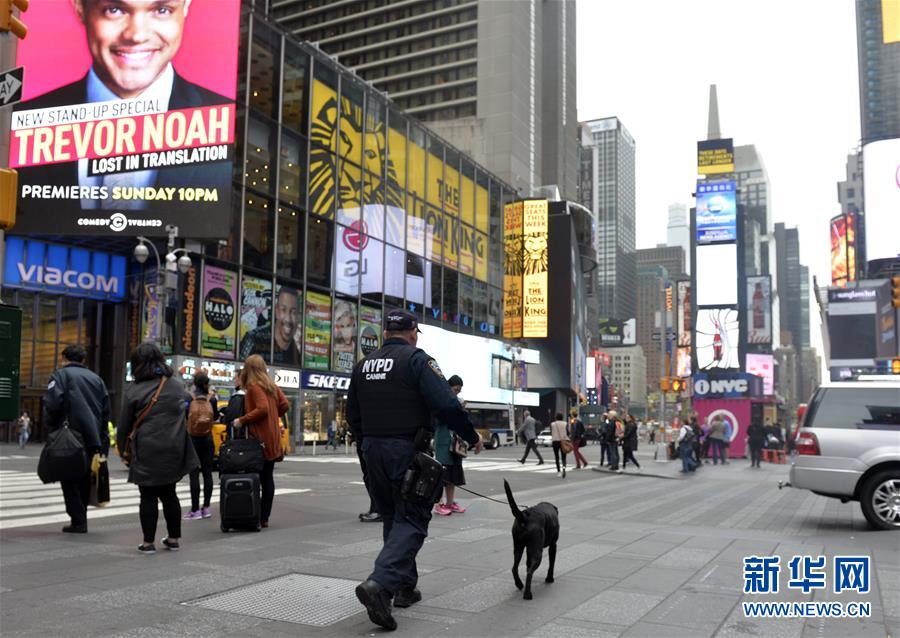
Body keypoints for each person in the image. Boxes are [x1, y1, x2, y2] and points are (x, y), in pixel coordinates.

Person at [14, 0, 232, 215]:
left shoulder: (222, 122)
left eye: (161, 10)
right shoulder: (23, 123)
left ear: (185, 7)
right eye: (114, 10)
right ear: (80, 7)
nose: (136, 35)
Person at [347, 309, 483, 631]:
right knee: (413, 518)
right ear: (412, 333)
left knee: (394, 517)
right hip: (406, 450)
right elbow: (447, 404)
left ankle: (405, 588)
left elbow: (352, 414)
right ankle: (380, 584)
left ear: (384, 334)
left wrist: (368, 446)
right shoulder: (417, 360)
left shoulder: (363, 365)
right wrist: (471, 435)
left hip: (372, 451)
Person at [117, 343, 198, 553]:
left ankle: (148, 543)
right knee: (170, 493)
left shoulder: (134, 390)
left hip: (147, 449)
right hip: (174, 448)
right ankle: (173, 539)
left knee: (148, 496)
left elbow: (124, 426)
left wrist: (123, 450)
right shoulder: (177, 386)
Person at [42, 345, 111, 534]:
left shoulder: (60, 375)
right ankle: (81, 519)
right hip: (92, 437)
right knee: (83, 478)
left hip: (70, 436)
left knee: (69, 478)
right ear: (83, 360)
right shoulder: (97, 380)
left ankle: (78, 520)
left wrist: (51, 425)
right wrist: (102, 439)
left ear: (64, 358)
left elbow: (53, 403)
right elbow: (106, 412)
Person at [231, 354, 289, 529]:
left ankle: (257, 515)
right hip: (272, 437)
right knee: (268, 478)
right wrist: (274, 416)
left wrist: (242, 420)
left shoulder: (254, 387)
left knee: (257, 478)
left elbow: (262, 408)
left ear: (248, 369)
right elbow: (285, 404)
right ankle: (265, 517)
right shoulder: (272, 386)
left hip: (259, 439)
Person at [184, 371, 218, 521]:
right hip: (208, 439)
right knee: (207, 473)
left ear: (194, 383)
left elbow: (185, 415)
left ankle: (195, 509)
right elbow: (215, 416)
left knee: (194, 474)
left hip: (193, 439)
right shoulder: (212, 399)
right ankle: (206, 508)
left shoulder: (188, 398)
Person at [434, 375, 469, 515]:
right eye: (455, 389)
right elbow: (440, 420)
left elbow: (461, 422)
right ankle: (439, 504)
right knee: (443, 475)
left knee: (453, 475)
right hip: (444, 443)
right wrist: (456, 408)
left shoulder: (456, 402)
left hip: (455, 444)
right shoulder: (441, 401)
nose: (457, 392)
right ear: (449, 387)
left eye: (459, 390)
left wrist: (461, 410)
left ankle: (449, 503)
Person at [239, 286, 299, 365]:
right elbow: (239, 369)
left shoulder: (296, 347)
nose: (288, 318)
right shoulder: (253, 338)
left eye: (293, 312)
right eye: (283, 310)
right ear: (277, 311)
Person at [550, 412, 570, 478]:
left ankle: (558, 471)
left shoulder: (553, 424)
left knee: (557, 457)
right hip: (563, 441)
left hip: (555, 441)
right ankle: (564, 469)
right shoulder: (565, 423)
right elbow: (568, 432)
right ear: (562, 417)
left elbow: (551, 432)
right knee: (563, 457)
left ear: (556, 417)